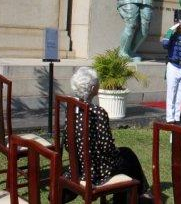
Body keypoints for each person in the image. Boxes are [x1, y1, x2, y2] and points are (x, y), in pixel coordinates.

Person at [63, 67, 150, 204]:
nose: (99, 84)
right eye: (98, 82)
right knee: (127, 158)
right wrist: (114, 154)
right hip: (96, 171)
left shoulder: (71, 107)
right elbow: (107, 148)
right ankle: (141, 195)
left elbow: (67, 143)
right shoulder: (98, 112)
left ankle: (141, 194)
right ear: (92, 88)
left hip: (77, 164)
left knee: (127, 153)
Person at [162, 10, 181, 124]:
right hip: (173, 67)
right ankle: (170, 118)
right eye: (180, 23)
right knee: (171, 93)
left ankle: (177, 117)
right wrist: (172, 29)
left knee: (180, 95)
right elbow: (164, 44)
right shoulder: (171, 35)